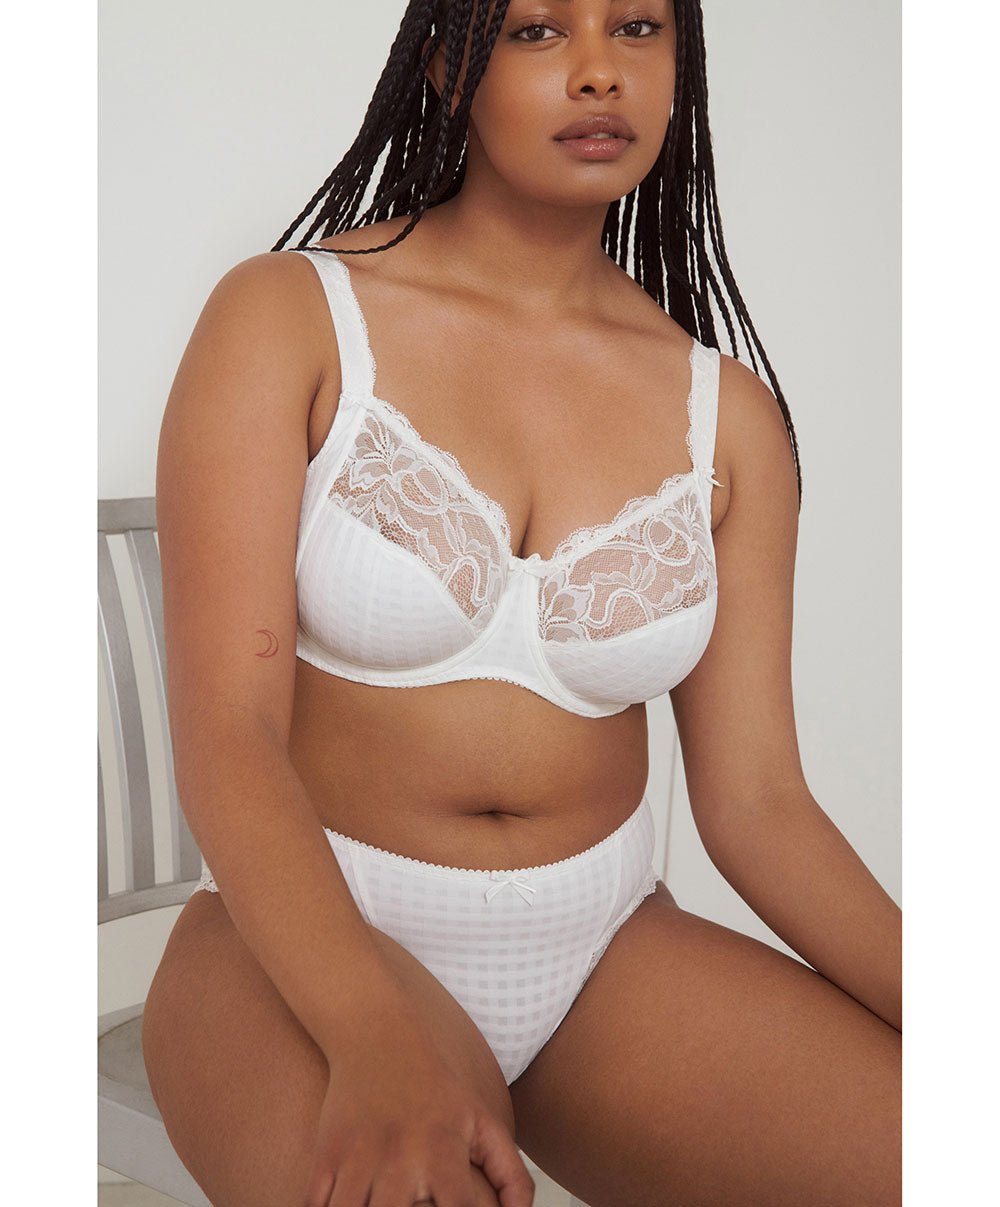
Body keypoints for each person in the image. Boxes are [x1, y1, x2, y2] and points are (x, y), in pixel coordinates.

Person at [141, 1, 902, 1204]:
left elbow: (759, 805)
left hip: (597, 958)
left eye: (638, 28)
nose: (599, 72)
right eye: (539, 30)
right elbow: (228, 736)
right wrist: (374, 1036)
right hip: (300, 939)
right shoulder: (289, 316)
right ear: (449, 65)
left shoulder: (729, 419)